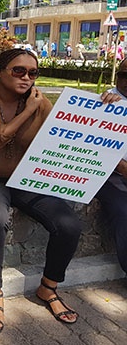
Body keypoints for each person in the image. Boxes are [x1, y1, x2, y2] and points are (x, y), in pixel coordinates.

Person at [0, 49, 119, 335]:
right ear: (0, 72)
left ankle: (48, 288)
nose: (26, 77)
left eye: (32, 73)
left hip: (27, 179)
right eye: (18, 71)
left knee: (69, 224)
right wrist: (28, 112)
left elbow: (71, 129)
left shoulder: (40, 103)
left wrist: (108, 105)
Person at [95, 58, 127, 274]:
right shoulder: (107, 102)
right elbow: (92, 145)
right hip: (110, 174)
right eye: (124, 74)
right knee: (124, 211)